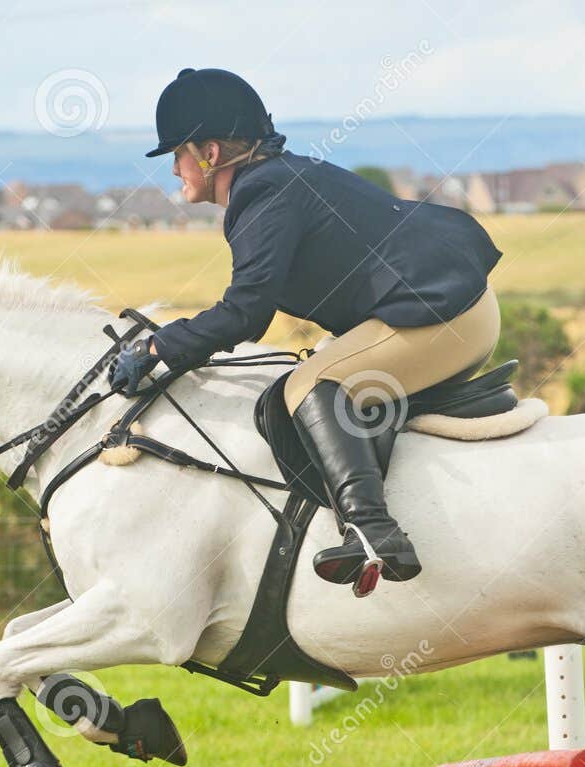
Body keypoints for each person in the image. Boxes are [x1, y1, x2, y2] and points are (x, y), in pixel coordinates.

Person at [110, 68, 503, 596]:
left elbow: (246, 313)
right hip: (443, 303)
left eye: (177, 154)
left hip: (442, 314)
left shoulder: (263, 193)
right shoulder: (276, 179)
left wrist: (160, 346)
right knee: (307, 371)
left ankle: (372, 533)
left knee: (307, 387)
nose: (174, 168)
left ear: (208, 152)